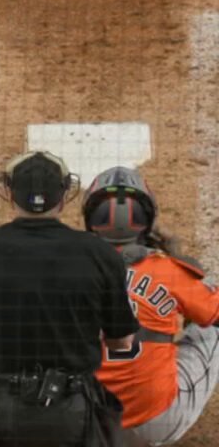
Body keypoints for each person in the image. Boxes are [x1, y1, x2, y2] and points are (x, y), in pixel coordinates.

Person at [0, 151, 139, 446]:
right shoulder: (100, 254)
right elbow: (121, 342)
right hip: (72, 412)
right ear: (64, 196)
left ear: (10, 194)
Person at [83, 166, 219, 446]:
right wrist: (179, 262)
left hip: (86, 425)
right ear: (148, 222)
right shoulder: (168, 270)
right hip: (156, 424)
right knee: (211, 325)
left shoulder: (65, 272)